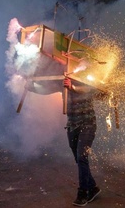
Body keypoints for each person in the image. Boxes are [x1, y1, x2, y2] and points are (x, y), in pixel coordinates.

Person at [27, 77, 102, 206]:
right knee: (78, 159)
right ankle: (93, 187)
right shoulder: (64, 81)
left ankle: (83, 193)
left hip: (88, 124)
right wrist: (31, 87)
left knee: (82, 157)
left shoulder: (87, 79)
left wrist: (72, 86)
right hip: (72, 125)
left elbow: (88, 90)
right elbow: (47, 89)